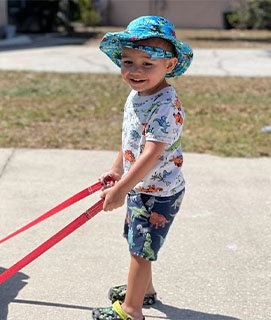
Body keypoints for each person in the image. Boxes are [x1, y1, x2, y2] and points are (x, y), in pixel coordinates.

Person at [92, 16, 193, 320]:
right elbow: (131, 141)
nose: (135, 71)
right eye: (128, 62)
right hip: (140, 185)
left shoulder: (165, 104)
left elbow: (150, 154)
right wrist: (117, 171)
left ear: (170, 65)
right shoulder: (138, 94)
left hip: (158, 192)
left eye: (147, 64)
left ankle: (132, 311)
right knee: (136, 241)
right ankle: (143, 291)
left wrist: (122, 188)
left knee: (140, 249)